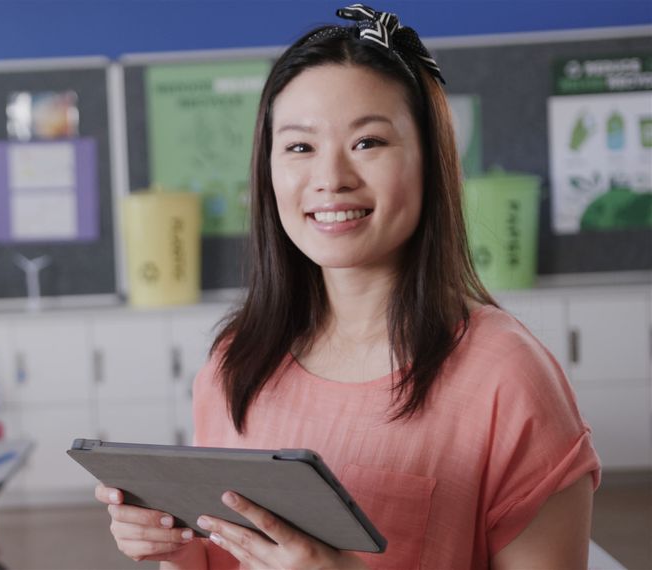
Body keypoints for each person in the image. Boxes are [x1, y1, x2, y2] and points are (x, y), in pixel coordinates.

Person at [95, 4, 601, 568]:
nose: (331, 179)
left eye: (369, 143)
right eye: (299, 147)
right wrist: (172, 540)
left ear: (430, 162)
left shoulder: (507, 375)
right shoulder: (235, 361)